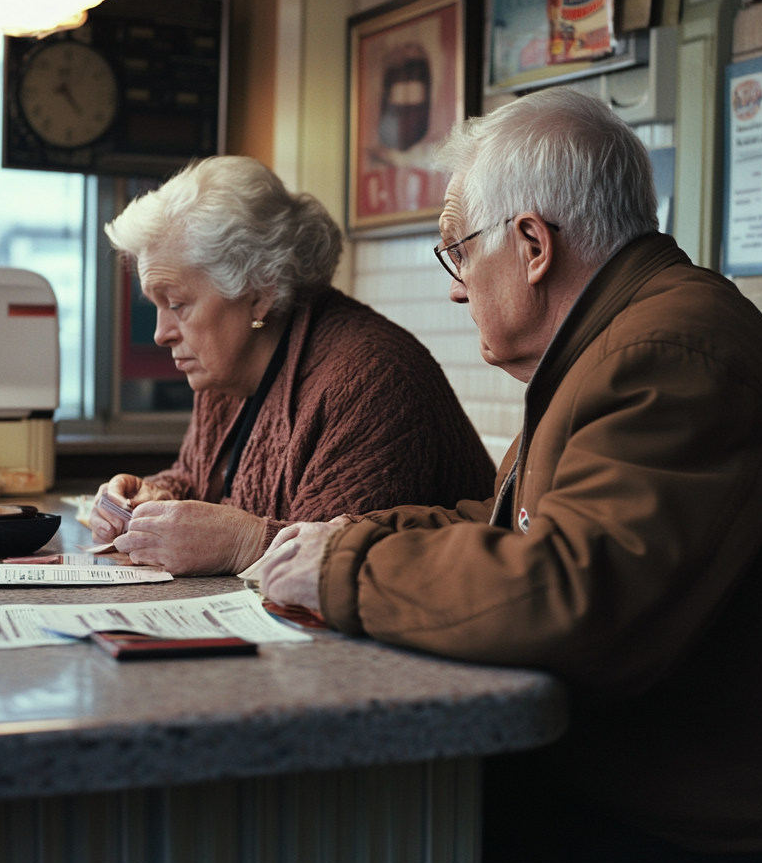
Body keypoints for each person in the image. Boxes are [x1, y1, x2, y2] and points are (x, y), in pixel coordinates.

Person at [245, 89, 762, 863]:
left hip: (704, 840)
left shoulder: (672, 353)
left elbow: (579, 596)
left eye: (458, 253)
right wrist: (336, 536)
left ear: (533, 245)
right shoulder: (619, 342)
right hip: (633, 795)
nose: (457, 290)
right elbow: (504, 525)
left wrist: (347, 568)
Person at [90, 155, 495, 576]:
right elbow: (204, 482)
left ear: (260, 292)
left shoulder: (373, 381)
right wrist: (154, 497)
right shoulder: (225, 372)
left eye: (176, 304)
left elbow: (330, 568)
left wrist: (244, 543)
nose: (160, 334)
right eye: (155, 305)